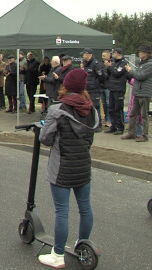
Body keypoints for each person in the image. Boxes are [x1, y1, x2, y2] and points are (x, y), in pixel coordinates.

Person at [38, 69, 99, 269]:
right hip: (83, 165)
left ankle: (57, 254)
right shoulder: (92, 109)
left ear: (66, 86)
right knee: (85, 207)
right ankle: (83, 244)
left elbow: (45, 139)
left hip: (62, 168)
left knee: (62, 212)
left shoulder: (57, 110)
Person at [122, 44, 152, 142]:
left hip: (144, 93)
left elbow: (141, 76)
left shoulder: (150, 65)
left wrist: (131, 71)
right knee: (133, 113)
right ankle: (131, 132)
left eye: (141, 52)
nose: (139, 53)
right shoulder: (141, 64)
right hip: (137, 92)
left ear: (146, 54)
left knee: (144, 115)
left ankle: (145, 135)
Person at [81, 48, 105, 132]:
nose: (83, 56)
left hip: (94, 90)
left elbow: (101, 77)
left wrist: (96, 85)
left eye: (84, 54)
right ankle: (90, 124)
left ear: (88, 54)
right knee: (87, 108)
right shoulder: (85, 64)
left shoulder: (96, 64)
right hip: (86, 90)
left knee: (95, 108)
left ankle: (97, 125)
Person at [104, 48, 128, 135]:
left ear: (117, 53)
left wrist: (110, 67)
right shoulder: (114, 63)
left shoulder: (123, 63)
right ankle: (113, 126)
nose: (112, 55)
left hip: (119, 89)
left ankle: (120, 127)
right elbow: (110, 74)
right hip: (112, 88)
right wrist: (108, 68)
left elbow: (117, 73)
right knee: (111, 108)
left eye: (113, 53)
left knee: (118, 109)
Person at [101, 50, 112, 127]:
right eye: (102, 56)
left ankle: (109, 120)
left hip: (109, 87)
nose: (103, 57)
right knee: (104, 104)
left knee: (109, 104)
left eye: (104, 56)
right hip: (102, 87)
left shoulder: (112, 64)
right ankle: (106, 119)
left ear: (109, 56)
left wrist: (108, 67)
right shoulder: (101, 65)